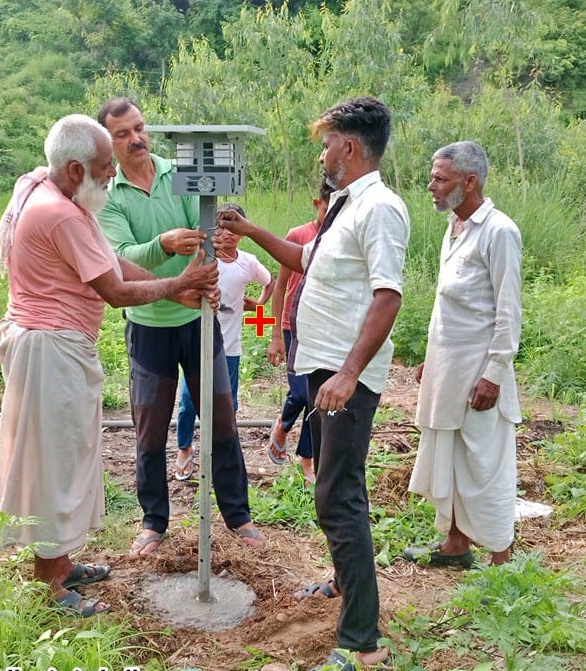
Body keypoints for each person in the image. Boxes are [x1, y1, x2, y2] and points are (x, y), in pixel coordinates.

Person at [217, 96, 409, 670]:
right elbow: (305, 258)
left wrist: (349, 374)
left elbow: (388, 294)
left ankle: (362, 642)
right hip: (322, 368)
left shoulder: (380, 208)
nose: (323, 153)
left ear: (349, 147)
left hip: (344, 377)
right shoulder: (344, 206)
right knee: (333, 488)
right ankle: (345, 586)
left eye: (327, 143)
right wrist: (251, 231)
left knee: (337, 494)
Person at [0, 114, 218, 617]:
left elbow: (113, 264)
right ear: (75, 169)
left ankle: (60, 563)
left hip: (51, 345)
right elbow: (117, 290)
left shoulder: (43, 186)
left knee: (68, 457)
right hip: (49, 348)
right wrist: (177, 285)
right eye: (102, 167)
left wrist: (181, 290)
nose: (109, 176)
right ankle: (50, 588)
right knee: (53, 465)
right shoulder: (60, 214)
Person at [96, 98, 264, 556]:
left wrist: (207, 266)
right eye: (123, 134)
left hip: (197, 320)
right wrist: (164, 247)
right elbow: (122, 258)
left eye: (140, 128)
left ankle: (238, 514)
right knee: (150, 426)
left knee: (221, 416)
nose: (136, 139)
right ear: (107, 144)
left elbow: (204, 230)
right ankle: (154, 522)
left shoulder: (179, 173)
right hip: (149, 325)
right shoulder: (108, 196)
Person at [404, 141, 522, 568]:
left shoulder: (499, 231)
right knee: (453, 458)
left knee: (484, 465)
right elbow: (455, 307)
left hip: (479, 375)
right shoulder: (455, 226)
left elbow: (508, 311)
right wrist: (431, 359)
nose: (431, 186)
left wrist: (493, 373)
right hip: (449, 370)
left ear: (469, 182)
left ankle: (501, 562)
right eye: (433, 177)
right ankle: (456, 545)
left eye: (440, 178)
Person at [175, 203, 275, 479]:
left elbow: (270, 281)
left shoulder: (248, 262)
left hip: (229, 348)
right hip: (196, 343)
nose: (227, 233)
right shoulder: (203, 259)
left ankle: (222, 450)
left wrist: (258, 304)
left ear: (241, 231)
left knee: (228, 404)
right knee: (187, 403)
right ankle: (184, 448)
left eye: (234, 227)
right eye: (222, 226)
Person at [266, 179, 332, 484]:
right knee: (299, 392)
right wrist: (276, 333)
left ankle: (307, 458)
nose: (331, 211)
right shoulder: (298, 235)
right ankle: (282, 424)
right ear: (316, 204)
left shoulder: (340, 235)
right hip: (294, 325)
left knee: (316, 398)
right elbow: (279, 287)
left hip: (323, 328)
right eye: (326, 206)